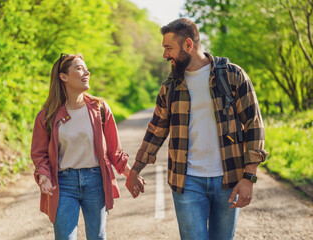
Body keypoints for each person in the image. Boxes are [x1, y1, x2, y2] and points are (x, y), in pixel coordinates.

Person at [126, 18, 268, 240]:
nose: (165, 55)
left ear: (188, 45)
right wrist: (135, 169)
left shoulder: (232, 76)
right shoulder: (170, 87)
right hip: (187, 181)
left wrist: (249, 176)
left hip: (228, 179)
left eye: (168, 48)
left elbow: (254, 125)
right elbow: (156, 131)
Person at [31, 53, 131, 240]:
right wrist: (44, 175)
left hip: (96, 181)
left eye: (86, 68)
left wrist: (130, 174)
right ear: (64, 77)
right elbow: (39, 154)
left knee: (98, 237)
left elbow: (114, 150)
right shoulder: (47, 116)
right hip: (63, 184)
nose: (87, 72)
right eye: (79, 68)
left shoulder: (100, 108)